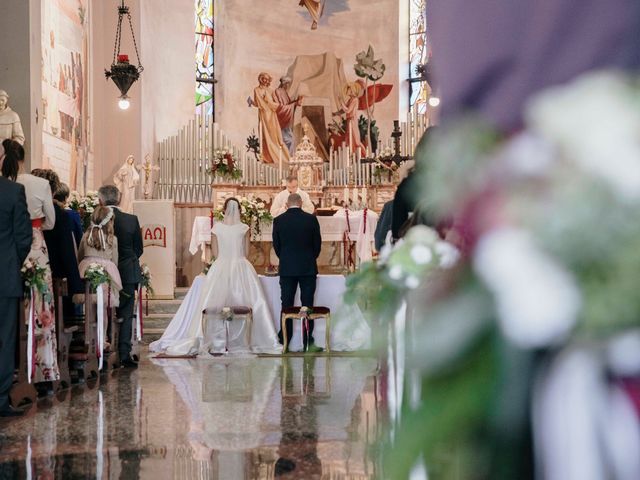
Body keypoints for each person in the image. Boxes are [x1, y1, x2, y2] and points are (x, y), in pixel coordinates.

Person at [150, 197, 282, 355]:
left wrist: (224, 260)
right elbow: (246, 253)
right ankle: (247, 340)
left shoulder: (216, 228)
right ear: (239, 210)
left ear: (224, 210)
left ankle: (214, 339)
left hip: (220, 267)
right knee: (248, 302)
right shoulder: (244, 228)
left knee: (212, 304)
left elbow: (215, 252)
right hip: (241, 267)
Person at [10, 142, 60, 384]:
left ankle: (13, 367)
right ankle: (42, 369)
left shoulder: (8, 184)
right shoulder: (40, 184)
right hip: (36, 244)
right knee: (40, 303)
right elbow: (50, 222)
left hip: (9, 246)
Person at [0, 141, 32, 417]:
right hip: (5, 278)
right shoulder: (13, 192)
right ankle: (0, 401)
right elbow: (24, 238)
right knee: (4, 339)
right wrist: (12, 263)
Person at [97, 185, 143, 368]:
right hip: (127, 272)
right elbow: (138, 248)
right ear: (120, 198)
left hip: (104, 274)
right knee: (126, 313)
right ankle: (124, 354)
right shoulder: (131, 220)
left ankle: (103, 351)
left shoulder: (97, 218)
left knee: (104, 311)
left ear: (100, 201)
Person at [273, 193, 322, 351]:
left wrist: (286, 259)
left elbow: (277, 246)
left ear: (286, 204)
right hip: (307, 267)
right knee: (307, 304)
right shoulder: (311, 219)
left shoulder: (279, 220)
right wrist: (309, 258)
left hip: (287, 268)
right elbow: (317, 244)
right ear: (301, 203)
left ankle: (285, 340)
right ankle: (308, 341)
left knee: (286, 304)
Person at [31, 169, 83, 316]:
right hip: (55, 275)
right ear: (52, 190)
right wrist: (76, 286)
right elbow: (67, 252)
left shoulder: (25, 209)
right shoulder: (59, 214)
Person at [77, 206, 122, 312]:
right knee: (104, 307)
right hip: (106, 273)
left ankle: (88, 326)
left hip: (86, 271)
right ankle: (103, 327)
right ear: (109, 222)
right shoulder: (112, 239)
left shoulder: (86, 236)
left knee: (89, 306)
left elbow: (80, 255)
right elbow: (115, 260)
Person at [253, 73, 290, 164]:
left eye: (267, 79)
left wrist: (276, 106)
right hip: (264, 115)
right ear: (260, 79)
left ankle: (280, 157)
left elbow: (274, 102)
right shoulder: (257, 90)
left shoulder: (270, 90)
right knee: (265, 136)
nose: (265, 81)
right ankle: (267, 157)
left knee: (275, 136)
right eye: (263, 79)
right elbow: (259, 103)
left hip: (272, 115)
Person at [274, 76, 301, 155]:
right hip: (282, 120)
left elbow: (288, 104)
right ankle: (289, 158)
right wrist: (294, 103)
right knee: (289, 140)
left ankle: (290, 157)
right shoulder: (278, 91)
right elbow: (280, 107)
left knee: (292, 140)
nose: (288, 86)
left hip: (286, 120)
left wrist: (296, 101)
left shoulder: (284, 92)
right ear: (284, 83)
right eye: (287, 84)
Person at [54, 182, 83, 248]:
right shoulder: (73, 215)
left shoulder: (49, 213)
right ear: (66, 197)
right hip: (68, 249)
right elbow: (79, 237)